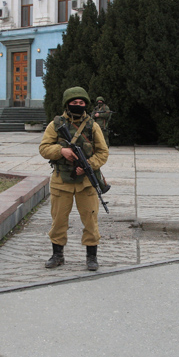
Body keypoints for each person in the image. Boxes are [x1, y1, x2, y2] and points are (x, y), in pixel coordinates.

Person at [39, 86, 109, 271]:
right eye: (74, 102)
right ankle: (57, 254)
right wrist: (60, 151)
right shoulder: (55, 125)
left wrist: (88, 165)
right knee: (59, 221)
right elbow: (44, 148)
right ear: (67, 104)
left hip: (86, 184)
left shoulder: (92, 126)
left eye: (81, 102)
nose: (78, 105)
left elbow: (103, 152)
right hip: (61, 182)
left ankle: (91, 256)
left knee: (90, 221)